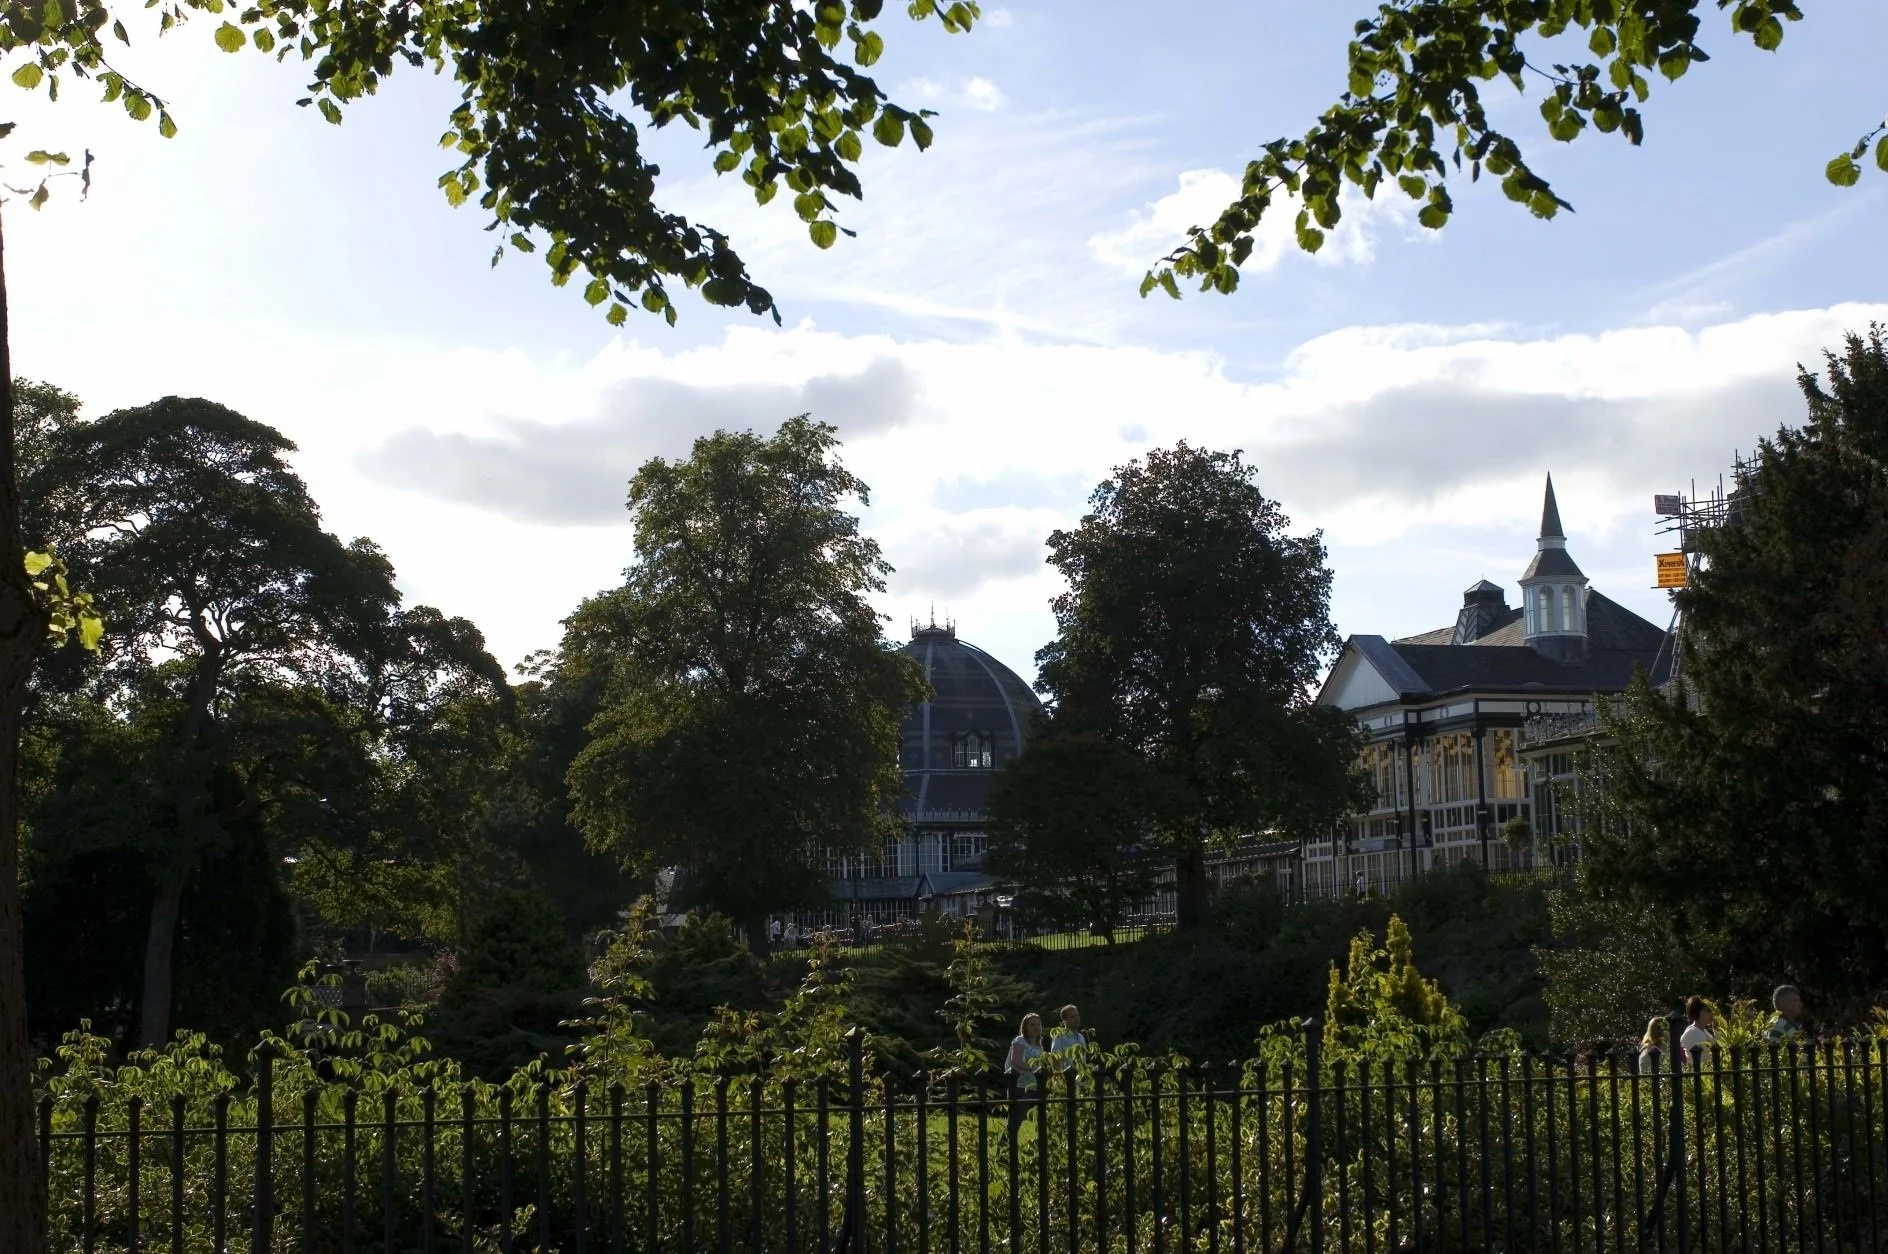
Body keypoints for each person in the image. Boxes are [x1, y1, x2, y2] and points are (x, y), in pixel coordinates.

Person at [1005, 1013, 1046, 1134]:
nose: (1035, 1028)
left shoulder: (1039, 1046)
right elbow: (1016, 1061)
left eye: (1038, 1025)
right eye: (1032, 1025)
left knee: (1041, 1118)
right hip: (1019, 1086)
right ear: (1025, 1027)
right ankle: (1006, 1142)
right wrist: (1034, 1068)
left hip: (1034, 1086)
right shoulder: (1020, 1041)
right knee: (1016, 1120)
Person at [1680, 996, 1716, 1064]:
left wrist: (1716, 1030)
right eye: (1708, 1010)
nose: (1712, 1013)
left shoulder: (1705, 1031)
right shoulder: (1691, 1032)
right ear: (1700, 1012)